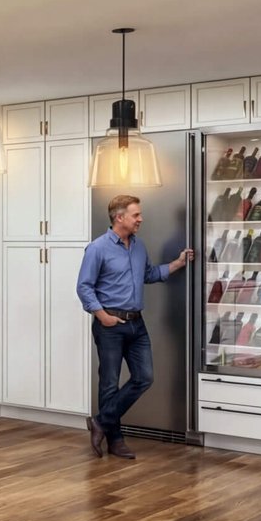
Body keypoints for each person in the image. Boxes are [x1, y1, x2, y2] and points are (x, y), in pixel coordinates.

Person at [76, 194, 193, 460]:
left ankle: (100, 422)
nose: (141, 219)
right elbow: (84, 287)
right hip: (110, 325)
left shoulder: (138, 246)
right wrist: (102, 316)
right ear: (120, 217)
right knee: (109, 384)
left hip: (136, 325)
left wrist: (177, 263)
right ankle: (115, 440)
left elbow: (148, 274)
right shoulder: (97, 248)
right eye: (136, 215)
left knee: (144, 377)